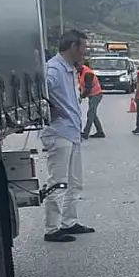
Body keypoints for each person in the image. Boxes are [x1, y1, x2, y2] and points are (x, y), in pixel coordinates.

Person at [41, 30, 96, 242]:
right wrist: (50, 110)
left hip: (72, 132)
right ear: (73, 46)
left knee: (75, 182)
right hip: (59, 133)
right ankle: (52, 228)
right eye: (83, 47)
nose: (85, 52)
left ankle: (69, 222)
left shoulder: (70, 69)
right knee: (58, 182)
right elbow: (40, 93)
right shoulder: (54, 68)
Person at [78, 57, 105, 139]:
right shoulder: (80, 72)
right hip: (92, 95)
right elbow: (82, 85)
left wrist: (81, 97)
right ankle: (100, 132)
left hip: (96, 94)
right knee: (93, 114)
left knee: (90, 113)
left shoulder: (88, 73)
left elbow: (88, 88)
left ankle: (86, 133)